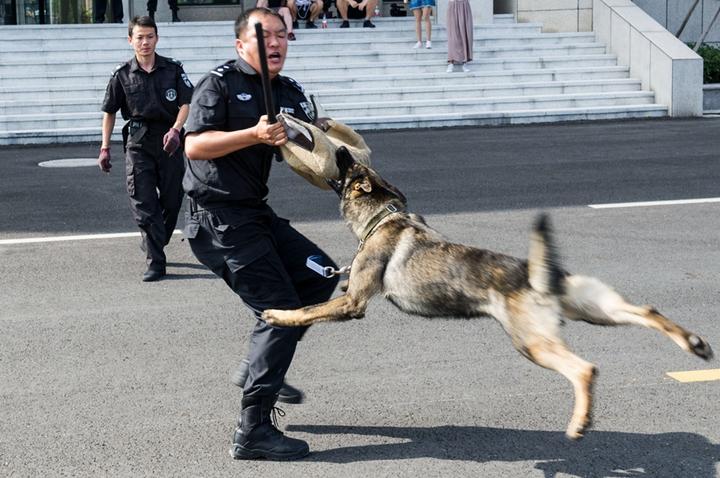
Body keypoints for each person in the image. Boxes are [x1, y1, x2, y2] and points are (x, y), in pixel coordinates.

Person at [182, 8, 340, 460]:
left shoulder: (287, 91)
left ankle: (261, 364)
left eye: (283, 35)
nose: (277, 42)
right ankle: (252, 432)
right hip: (217, 218)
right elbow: (195, 144)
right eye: (266, 35)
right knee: (281, 310)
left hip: (255, 212)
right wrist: (252, 133)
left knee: (321, 275)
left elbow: (310, 138)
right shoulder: (219, 83)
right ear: (241, 44)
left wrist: (319, 133)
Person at [98, 15, 193, 282]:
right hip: (138, 142)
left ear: (157, 38)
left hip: (170, 141)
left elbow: (186, 103)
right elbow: (109, 112)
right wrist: (105, 147)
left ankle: (154, 239)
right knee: (143, 201)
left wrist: (176, 129)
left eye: (149, 36)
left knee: (173, 200)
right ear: (130, 40)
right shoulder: (122, 75)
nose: (145, 42)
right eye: (139, 37)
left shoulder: (173, 69)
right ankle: (156, 261)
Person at [446, 0, 473, 72]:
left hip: (464, 5)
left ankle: (465, 62)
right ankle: (451, 62)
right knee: (453, 34)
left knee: (465, 32)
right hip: (453, 4)